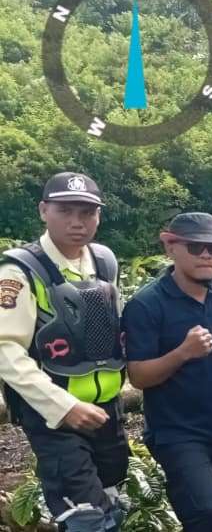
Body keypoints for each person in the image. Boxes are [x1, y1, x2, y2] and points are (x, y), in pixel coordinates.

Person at [0, 172, 129, 532]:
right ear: (44, 210)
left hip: (107, 409)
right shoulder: (21, 269)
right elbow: (5, 350)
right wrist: (63, 407)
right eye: (65, 210)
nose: (77, 222)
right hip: (54, 416)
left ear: (99, 216)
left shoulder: (104, 262)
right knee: (85, 517)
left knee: (111, 504)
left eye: (87, 212)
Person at [123, 212, 212, 532]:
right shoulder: (147, 304)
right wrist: (183, 353)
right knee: (205, 511)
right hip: (177, 431)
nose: (207, 255)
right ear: (172, 248)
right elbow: (138, 376)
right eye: (196, 247)